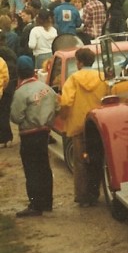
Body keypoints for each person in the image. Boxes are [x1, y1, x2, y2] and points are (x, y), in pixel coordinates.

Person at [59, 48, 109, 207]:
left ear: (79, 62)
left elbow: (66, 102)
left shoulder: (73, 79)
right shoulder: (102, 78)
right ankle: (96, 193)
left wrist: (63, 116)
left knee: (80, 163)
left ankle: (83, 197)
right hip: (98, 124)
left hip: (78, 125)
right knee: (97, 159)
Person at [10, 56, 58, 217]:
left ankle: (35, 205)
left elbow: (16, 117)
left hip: (29, 135)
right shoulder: (46, 88)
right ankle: (47, 203)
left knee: (32, 170)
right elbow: (57, 106)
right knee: (44, 167)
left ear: (19, 73)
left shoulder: (21, 92)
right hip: (44, 132)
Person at [0, 33, 17, 147]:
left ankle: (3, 138)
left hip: (3, 86)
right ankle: (8, 137)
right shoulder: (10, 52)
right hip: (10, 86)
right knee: (5, 112)